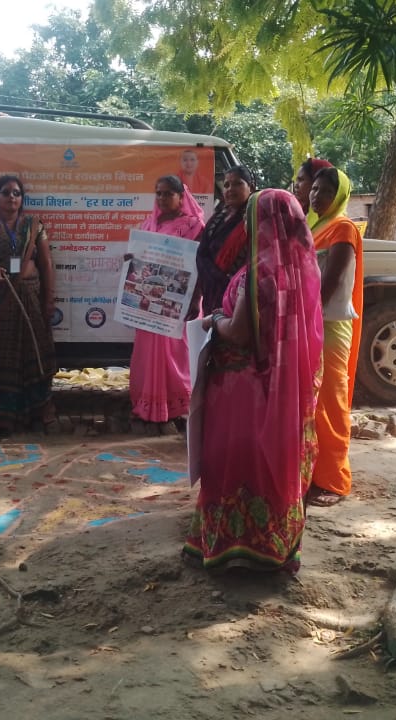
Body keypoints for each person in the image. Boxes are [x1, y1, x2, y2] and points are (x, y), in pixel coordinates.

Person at [184, 189, 324, 573]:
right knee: (267, 463)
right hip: (278, 386)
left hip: (241, 388)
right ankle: (274, 546)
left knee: (232, 462)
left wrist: (214, 320)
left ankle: (235, 545)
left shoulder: (258, 272)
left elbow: (239, 331)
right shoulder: (299, 271)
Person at [0, 175, 57, 437]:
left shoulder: (34, 226)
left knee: (36, 352)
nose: (11, 197)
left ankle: (41, 411)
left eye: (16, 193)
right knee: (2, 357)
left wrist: (49, 299)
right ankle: (4, 417)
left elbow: (46, 264)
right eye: (5, 193)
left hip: (30, 298)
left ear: (22, 198)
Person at [129, 175, 206, 426]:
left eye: (168, 194)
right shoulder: (149, 224)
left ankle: (178, 408)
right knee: (148, 352)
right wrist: (132, 261)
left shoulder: (194, 226)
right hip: (149, 302)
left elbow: (201, 264)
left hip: (179, 302)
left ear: (181, 197)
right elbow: (142, 259)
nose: (162, 198)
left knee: (176, 353)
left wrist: (195, 299)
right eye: (159, 193)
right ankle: (149, 406)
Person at [306, 167, 362, 507]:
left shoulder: (343, 228)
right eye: (314, 189)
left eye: (326, 191)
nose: (317, 196)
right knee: (313, 403)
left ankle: (335, 480)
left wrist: (307, 315)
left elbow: (332, 280)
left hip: (330, 324)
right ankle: (312, 473)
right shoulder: (315, 227)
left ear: (339, 195)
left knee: (331, 401)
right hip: (311, 322)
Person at [195, 165, 257, 314]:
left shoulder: (256, 220)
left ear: (251, 188)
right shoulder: (217, 218)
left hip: (240, 297)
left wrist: (224, 280)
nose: (230, 189)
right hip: (211, 294)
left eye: (237, 184)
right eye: (227, 185)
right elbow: (201, 253)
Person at [293, 157, 334, 226]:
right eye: (297, 180)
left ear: (316, 182)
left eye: (301, 180)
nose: (296, 185)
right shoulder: (295, 211)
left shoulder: (334, 223)